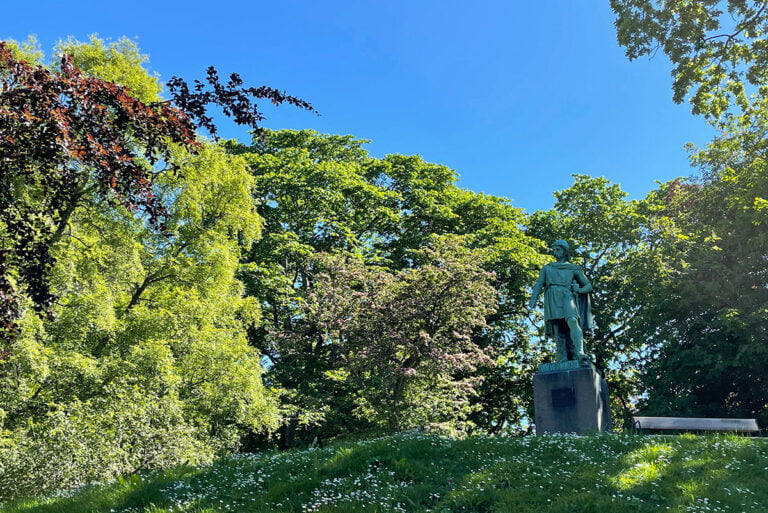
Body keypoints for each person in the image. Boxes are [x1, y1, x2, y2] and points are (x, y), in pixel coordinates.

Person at [528, 240, 593, 362]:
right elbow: (539, 284)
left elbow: (588, 285)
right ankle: (562, 357)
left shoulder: (573, 268)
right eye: (554, 249)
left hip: (567, 295)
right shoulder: (547, 268)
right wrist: (532, 300)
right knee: (558, 328)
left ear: (565, 251)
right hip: (552, 296)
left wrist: (579, 290)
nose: (555, 252)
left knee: (573, 321)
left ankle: (580, 352)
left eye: (558, 249)